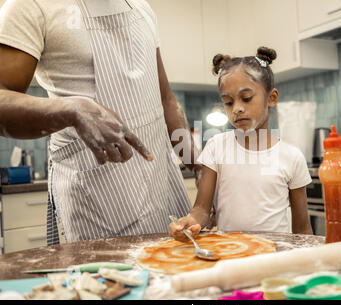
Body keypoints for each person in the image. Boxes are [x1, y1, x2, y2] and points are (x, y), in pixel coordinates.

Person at [0, 0, 201, 244]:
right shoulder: (31, 5)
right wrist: (71, 109)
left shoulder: (140, 8)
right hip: (100, 198)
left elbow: (166, 98)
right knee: (113, 281)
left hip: (162, 187)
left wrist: (198, 165)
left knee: (173, 275)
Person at [169, 47, 313, 241]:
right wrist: (190, 221)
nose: (237, 109)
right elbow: (201, 209)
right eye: (228, 102)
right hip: (231, 255)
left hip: (274, 257)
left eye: (246, 98)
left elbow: (302, 230)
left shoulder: (291, 157)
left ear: (272, 98)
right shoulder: (216, 147)